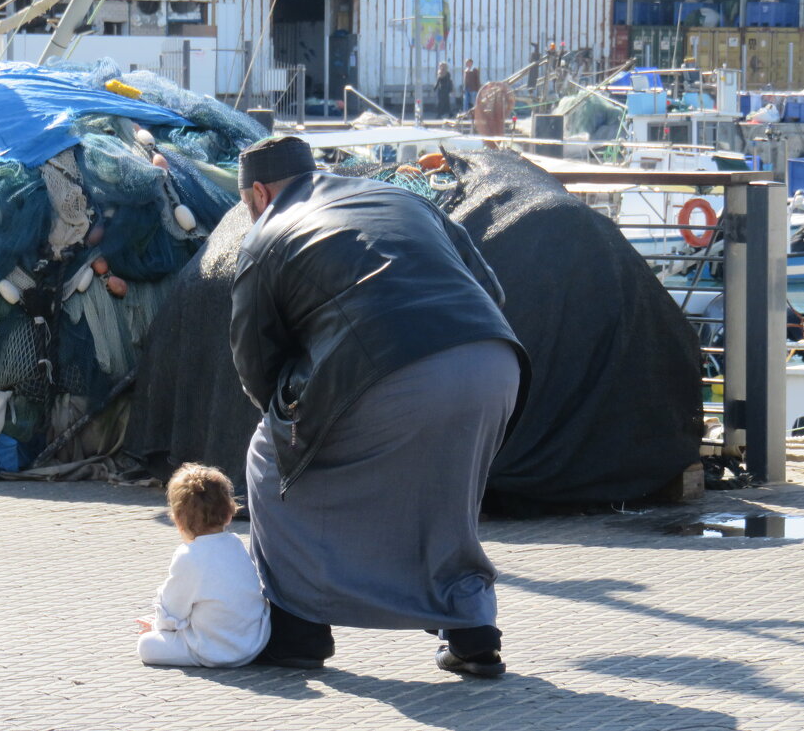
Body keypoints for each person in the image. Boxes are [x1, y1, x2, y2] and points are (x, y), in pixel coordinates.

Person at [230, 136, 530, 678]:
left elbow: (257, 366)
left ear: (257, 192)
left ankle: (298, 630)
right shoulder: (402, 199)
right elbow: (491, 290)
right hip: (493, 363)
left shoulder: (265, 235)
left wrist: (295, 440)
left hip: (392, 371)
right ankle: (472, 630)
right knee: (444, 495)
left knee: (266, 460)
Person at [137, 463, 270, 668]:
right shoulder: (236, 544)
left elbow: (173, 611)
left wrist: (156, 627)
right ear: (228, 514)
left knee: (146, 645)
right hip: (254, 644)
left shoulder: (188, 556)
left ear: (177, 520)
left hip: (214, 651)